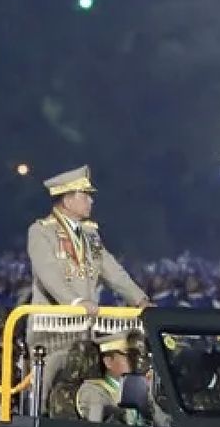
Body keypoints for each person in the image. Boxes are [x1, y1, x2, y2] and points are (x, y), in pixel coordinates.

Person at [25, 166, 150, 395]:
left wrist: (140, 299)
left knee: (84, 388)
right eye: (85, 196)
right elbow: (49, 274)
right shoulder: (41, 232)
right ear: (67, 200)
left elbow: (113, 271)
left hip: (84, 329)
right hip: (53, 330)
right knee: (46, 390)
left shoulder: (90, 234)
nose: (90, 201)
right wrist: (75, 303)